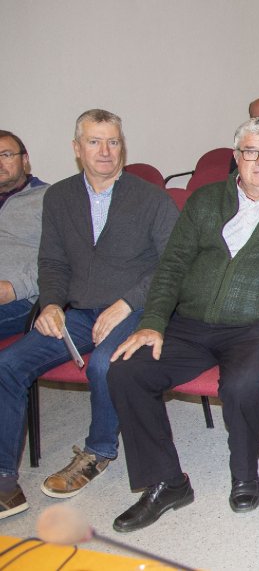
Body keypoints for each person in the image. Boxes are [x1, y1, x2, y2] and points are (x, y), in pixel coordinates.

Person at [106, 117, 259, 532]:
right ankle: (167, 482)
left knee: (241, 385)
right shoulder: (205, 200)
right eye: (251, 152)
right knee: (127, 370)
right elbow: (171, 266)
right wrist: (153, 321)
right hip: (189, 322)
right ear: (236, 157)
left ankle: (244, 472)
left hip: (257, 325)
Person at [0, 111, 177, 521]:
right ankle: (6, 480)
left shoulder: (150, 197)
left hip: (134, 307)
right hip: (76, 311)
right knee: (8, 365)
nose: (105, 151)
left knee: (104, 365)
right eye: (94, 142)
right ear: (77, 148)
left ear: (123, 147)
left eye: (113, 142)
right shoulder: (59, 197)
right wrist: (49, 303)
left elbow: (173, 264)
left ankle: (98, 452)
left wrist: (127, 303)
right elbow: (53, 261)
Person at [0, 131, 49, 339]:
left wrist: (15, 288)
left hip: (20, 297)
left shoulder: (51, 198)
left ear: (25, 159)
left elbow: (68, 259)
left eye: (6, 155)